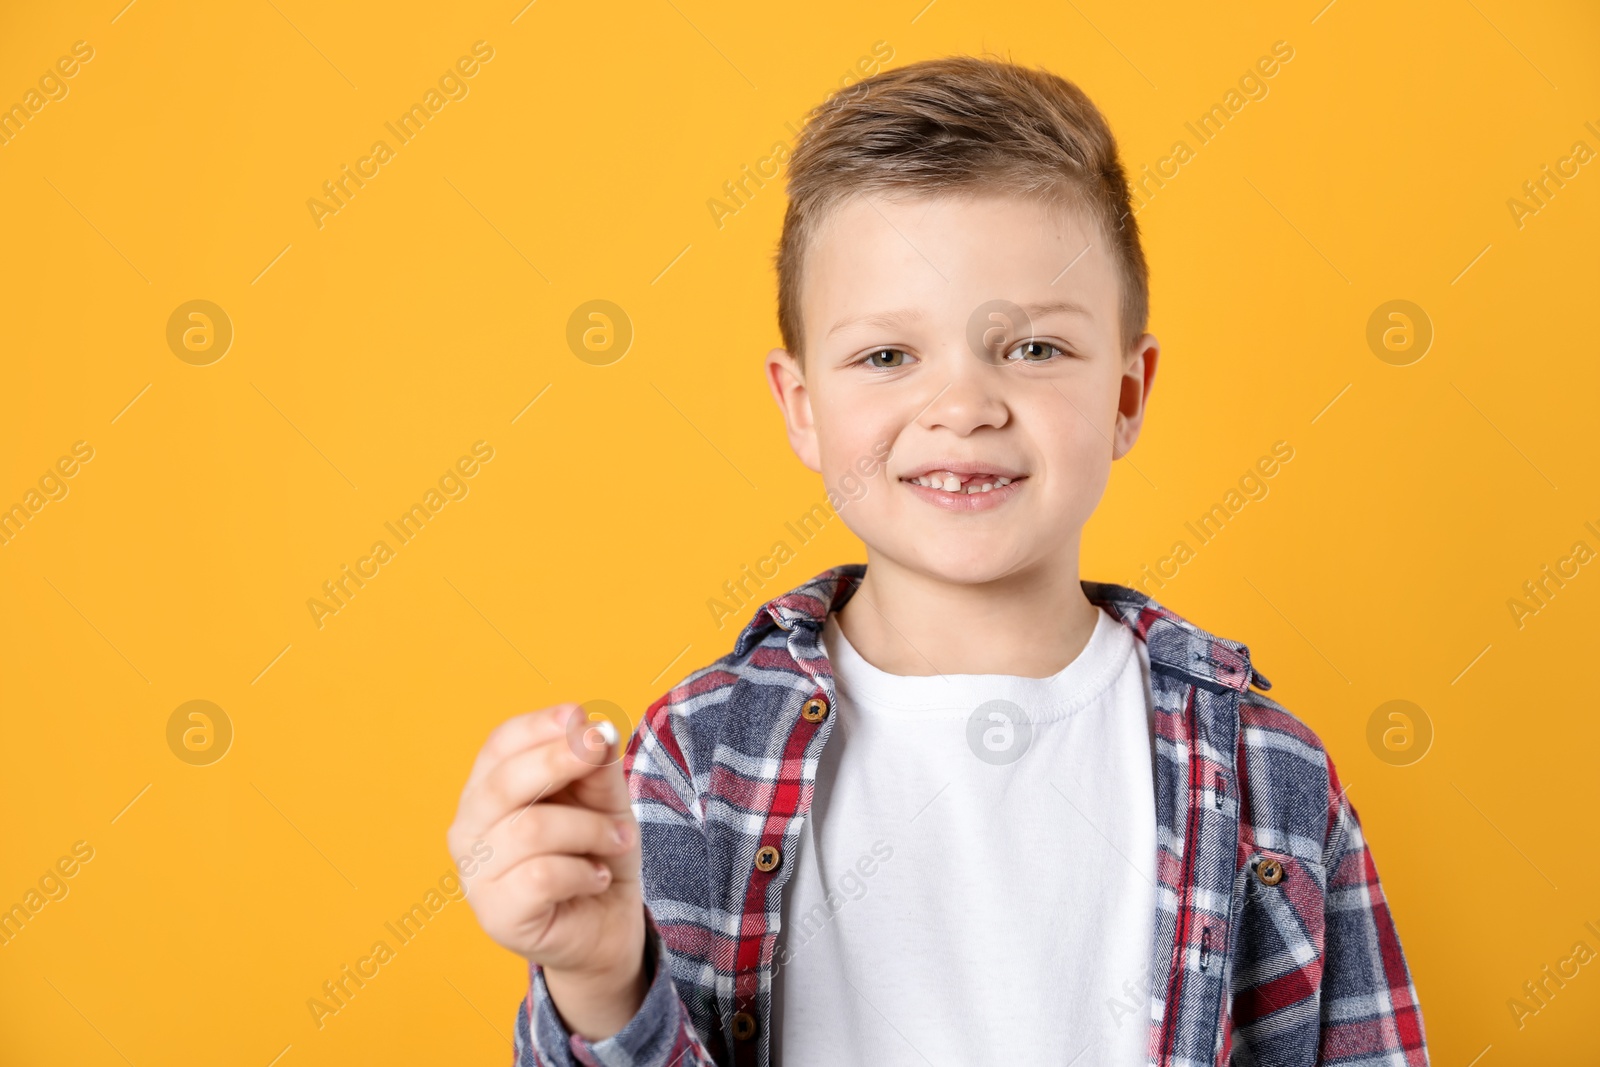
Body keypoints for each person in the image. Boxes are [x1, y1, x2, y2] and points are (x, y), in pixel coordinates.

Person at [447, 54, 1429, 1067]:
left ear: (1128, 396)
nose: (962, 406)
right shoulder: (700, 757)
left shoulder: (1266, 772)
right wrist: (603, 986)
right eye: (886, 356)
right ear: (802, 407)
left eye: (1034, 349)